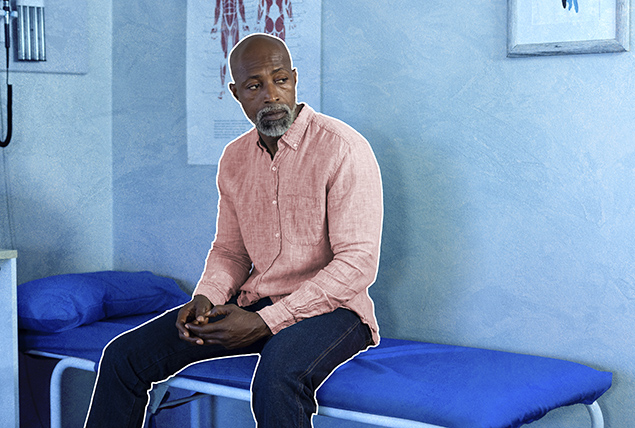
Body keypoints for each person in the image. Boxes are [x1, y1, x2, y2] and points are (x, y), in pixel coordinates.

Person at [84, 33, 383, 428]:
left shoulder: (342, 147)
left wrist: (266, 322)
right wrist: (205, 297)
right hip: (257, 303)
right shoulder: (235, 158)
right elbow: (231, 252)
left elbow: (357, 264)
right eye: (255, 85)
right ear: (236, 93)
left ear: (295, 79)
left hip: (336, 310)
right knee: (125, 355)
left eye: (281, 80)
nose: (271, 95)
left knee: (278, 376)